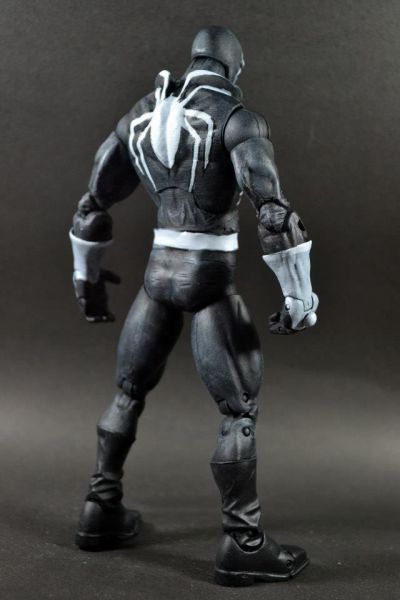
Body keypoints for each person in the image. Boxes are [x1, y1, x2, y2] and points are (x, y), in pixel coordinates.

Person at [70, 25, 319, 586]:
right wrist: (299, 296)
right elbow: (274, 211)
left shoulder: (141, 115)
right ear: (234, 66)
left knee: (128, 392)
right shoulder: (238, 119)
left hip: (158, 277)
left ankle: (99, 507)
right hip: (208, 279)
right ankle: (243, 542)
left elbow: (91, 204)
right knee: (238, 413)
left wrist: (87, 281)